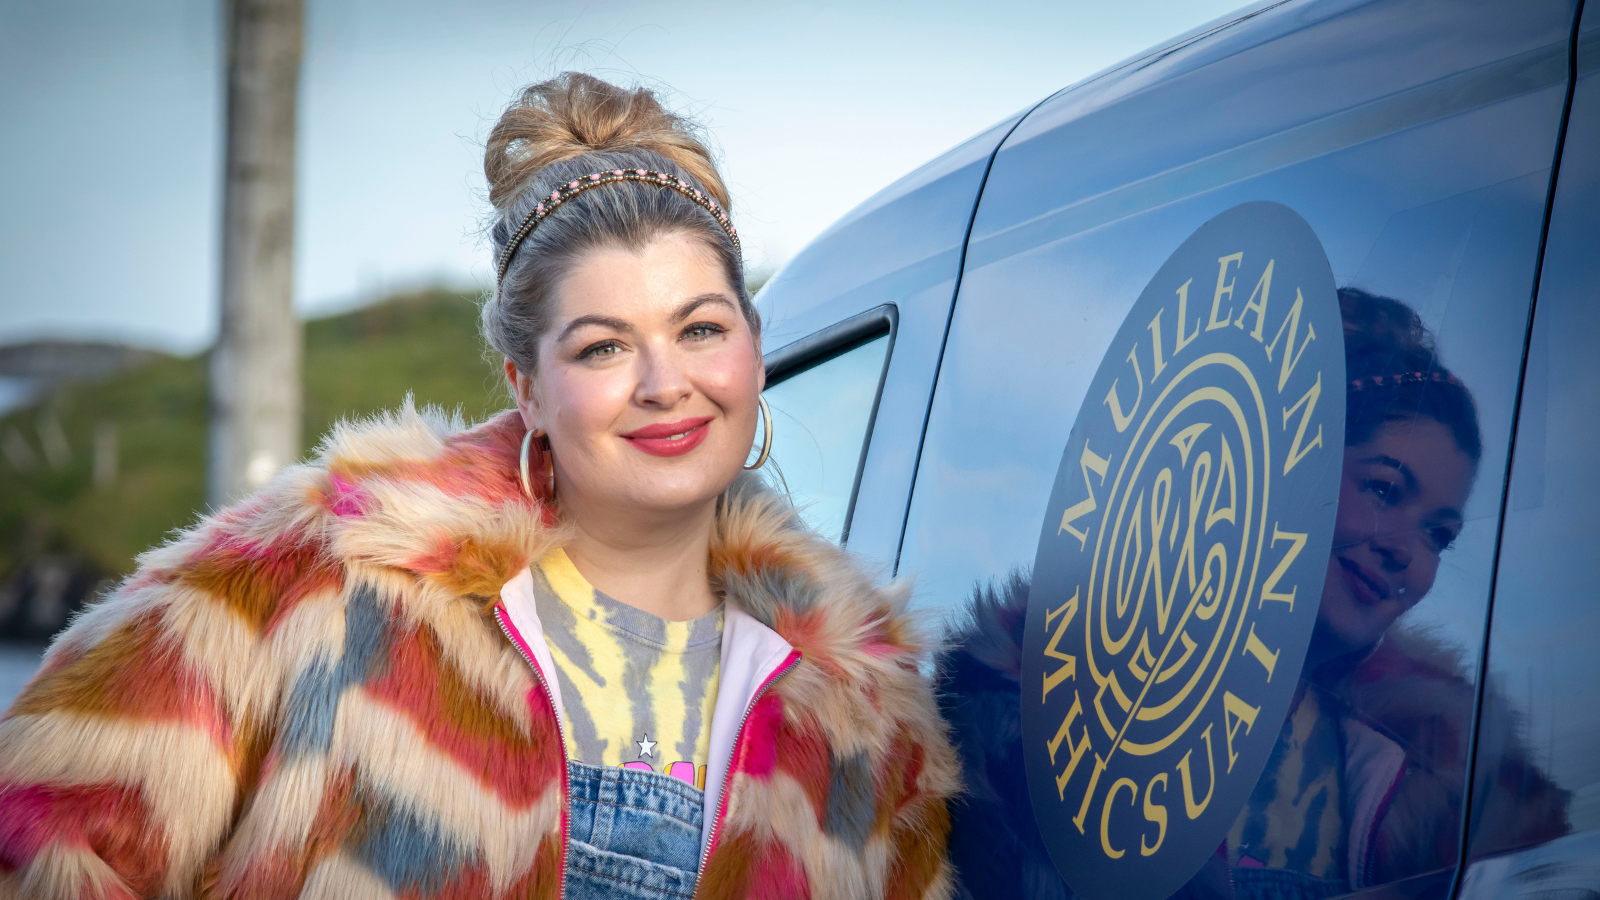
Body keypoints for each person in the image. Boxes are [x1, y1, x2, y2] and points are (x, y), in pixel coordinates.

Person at [0, 73, 958, 900]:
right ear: (527, 387)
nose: (667, 382)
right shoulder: (330, 579)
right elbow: (34, 825)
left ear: (751, 346)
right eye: (603, 347)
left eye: (701, 328)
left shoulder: (862, 718)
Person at [936, 288, 1566, 899]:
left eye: (1440, 535)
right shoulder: (1041, 718)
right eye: (1383, 489)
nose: (1407, 550)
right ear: (1292, 470)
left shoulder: (1440, 777)